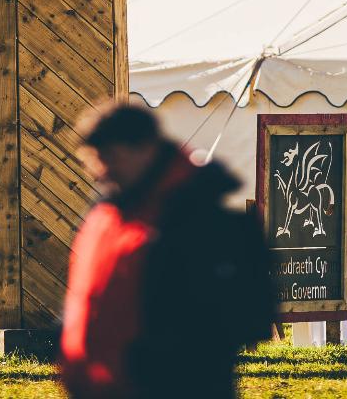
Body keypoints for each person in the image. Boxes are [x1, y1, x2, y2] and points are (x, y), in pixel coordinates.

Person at [59, 101, 274, 399]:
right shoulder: (107, 217)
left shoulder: (206, 223)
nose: (100, 172)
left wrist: (155, 360)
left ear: (145, 149)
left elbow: (245, 316)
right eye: (93, 161)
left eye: (109, 157)